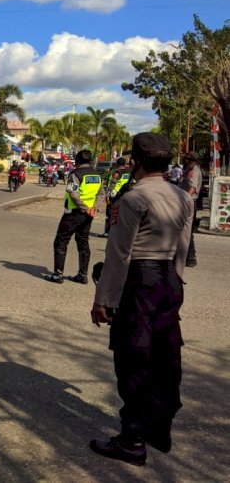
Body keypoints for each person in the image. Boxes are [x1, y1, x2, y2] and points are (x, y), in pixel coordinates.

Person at [89, 133, 193, 466]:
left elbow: (119, 254)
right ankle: (159, 429)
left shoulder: (132, 200)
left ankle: (132, 439)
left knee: (134, 358)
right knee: (166, 356)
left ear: (136, 161)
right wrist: (174, 283)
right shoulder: (183, 197)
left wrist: (103, 299)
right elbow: (183, 247)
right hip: (168, 282)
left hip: (140, 282)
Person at [44, 149, 105, 284]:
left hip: (74, 213)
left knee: (61, 241)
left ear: (77, 161)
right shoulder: (97, 175)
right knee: (83, 242)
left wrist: (85, 208)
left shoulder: (75, 174)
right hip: (88, 214)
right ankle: (82, 275)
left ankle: (58, 275)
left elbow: (73, 193)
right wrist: (93, 208)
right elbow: (102, 194)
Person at [180, 151, 202, 267]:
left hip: (189, 203)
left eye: (185, 159)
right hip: (187, 202)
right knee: (184, 230)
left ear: (189, 160)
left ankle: (191, 257)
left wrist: (184, 201)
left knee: (187, 231)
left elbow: (192, 188)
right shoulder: (188, 170)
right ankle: (186, 256)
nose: (184, 161)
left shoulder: (194, 171)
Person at [101, 157, 132, 238]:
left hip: (114, 196)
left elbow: (112, 184)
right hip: (124, 195)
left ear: (117, 164)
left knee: (110, 214)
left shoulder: (117, 172)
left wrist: (108, 195)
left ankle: (108, 232)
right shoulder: (128, 173)